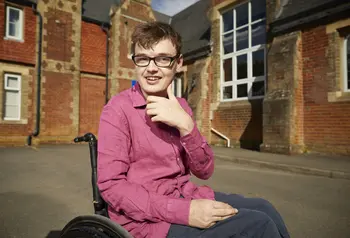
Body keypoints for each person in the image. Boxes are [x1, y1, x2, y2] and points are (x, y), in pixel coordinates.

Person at [97, 21, 290, 238]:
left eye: (162, 58)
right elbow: (111, 186)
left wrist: (187, 127)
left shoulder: (182, 107)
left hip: (186, 195)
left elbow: (204, 171)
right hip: (146, 222)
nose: (151, 68)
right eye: (143, 58)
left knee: (264, 208)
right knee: (258, 225)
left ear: (178, 63)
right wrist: (185, 212)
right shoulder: (118, 110)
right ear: (135, 62)